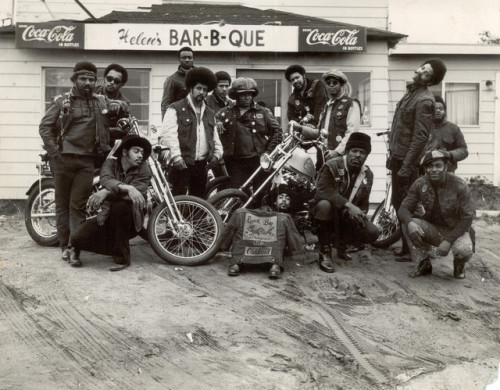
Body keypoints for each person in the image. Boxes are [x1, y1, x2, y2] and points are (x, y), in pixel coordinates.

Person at [39, 61, 127, 263]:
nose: (87, 82)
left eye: (91, 79)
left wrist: (120, 105)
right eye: (83, 78)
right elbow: (44, 127)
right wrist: (55, 152)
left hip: (87, 162)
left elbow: (121, 105)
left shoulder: (100, 101)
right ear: (75, 80)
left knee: (78, 205)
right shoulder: (62, 102)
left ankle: (75, 248)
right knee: (62, 205)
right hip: (63, 161)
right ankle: (64, 246)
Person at [388, 58, 447, 258]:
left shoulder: (424, 100)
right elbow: (401, 128)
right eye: (422, 68)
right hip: (398, 157)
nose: (420, 71)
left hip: (407, 162)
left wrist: (407, 165)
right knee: (399, 203)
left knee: (407, 205)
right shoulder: (411, 93)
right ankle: (407, 247)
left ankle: (417, 252)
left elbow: (420, 137)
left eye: (426, 73)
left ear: (430, 81)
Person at [69, 134, 152, 271]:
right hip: (106, 215)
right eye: (136, 151)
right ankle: (114, 247)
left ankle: (122, 257)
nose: (140, 156)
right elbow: (106, 179)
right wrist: (128, 187)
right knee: (76, 237)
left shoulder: (144, 169)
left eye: (142, 152)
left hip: (130, 219)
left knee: (121, 206)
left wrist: (106, 193)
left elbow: (135, 195)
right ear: (125, 152)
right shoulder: (110, 163)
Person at [398, 150, 475, 279]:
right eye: (429, 166)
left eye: (438, 166)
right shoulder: (420, 183)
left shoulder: (459, 185)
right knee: (407, 225)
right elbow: (403, 209)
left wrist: (449, 241)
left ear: (446, 167)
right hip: (433, 229)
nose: (434, 170)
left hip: (456, 231)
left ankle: (459, 264)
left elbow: (467, 218)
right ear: (425, 169)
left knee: (464, 250)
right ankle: (423, 263)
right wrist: (410, 222)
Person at [313, 132, 380, 273]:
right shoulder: (332, 165)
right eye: (354, 151)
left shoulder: (368, 174)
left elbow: (364, 203)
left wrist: (360, 215)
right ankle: (325, 251)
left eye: (362, 152)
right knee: (324, 205)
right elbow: (322, 191)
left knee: (372, 232)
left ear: (367, 156)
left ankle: (342, 244)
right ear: (347, 152)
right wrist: (348, 205)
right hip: (324, 213)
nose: (357, 155)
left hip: (344, 216)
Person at [160, 67, 223, 198]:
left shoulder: (210, 113)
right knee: (178, 198)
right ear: (191, 88)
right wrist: (176, 157)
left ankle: (195, 219)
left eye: (205, 90)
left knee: (198, 200)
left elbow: (215, 137)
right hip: (181, 164)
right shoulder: (175, 108)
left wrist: (217, 154)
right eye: (199, 88)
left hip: (201, 165)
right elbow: (168, 135)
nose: (202, 92)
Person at [216, 77, 282, 194]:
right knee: (239, 194)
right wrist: (218, 122)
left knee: (260, 194)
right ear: (236, 96)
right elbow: (211, 121)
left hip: (258, 160)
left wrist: (268, 152)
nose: (247, 97)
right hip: (236, 162)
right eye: (243, 94)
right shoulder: (225, 112)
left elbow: (277, 131)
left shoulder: (263, 112)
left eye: (250, 94)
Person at [219, 201, 304, 279]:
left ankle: (236, 263)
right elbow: (293, 237)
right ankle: (275, 265)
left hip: (242, 257)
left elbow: (227, 231)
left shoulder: (240, 213)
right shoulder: (284, 217)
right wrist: (295, 253)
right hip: (272, 257)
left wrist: (222, 246)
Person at [316, 69, 361, 161]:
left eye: (334, 83)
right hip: (323, 155)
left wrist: (338, 151)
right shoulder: (326, 106)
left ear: (342, 85)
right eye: (328, 83)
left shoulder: (351, 103)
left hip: (340, 156)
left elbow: (352, 132)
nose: (331, 85)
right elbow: (320, 131)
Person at [424, 95, 468, 173]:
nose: (438, 111)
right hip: (426, 170)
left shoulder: (453, 128)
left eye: (441, 109)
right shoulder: (423, 127)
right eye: (435, 109)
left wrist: (449, 154)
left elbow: (464, 150)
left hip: (448, 171)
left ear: (444, 111)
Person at [161, 46, 195, 119]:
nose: (187, 60)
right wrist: (166, 124)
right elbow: (166, 104)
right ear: (179, 59)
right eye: (184, 58)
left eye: (190, 57)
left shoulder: (200, 76)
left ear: (193, 59)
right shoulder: (172, 80)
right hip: (181, 119)